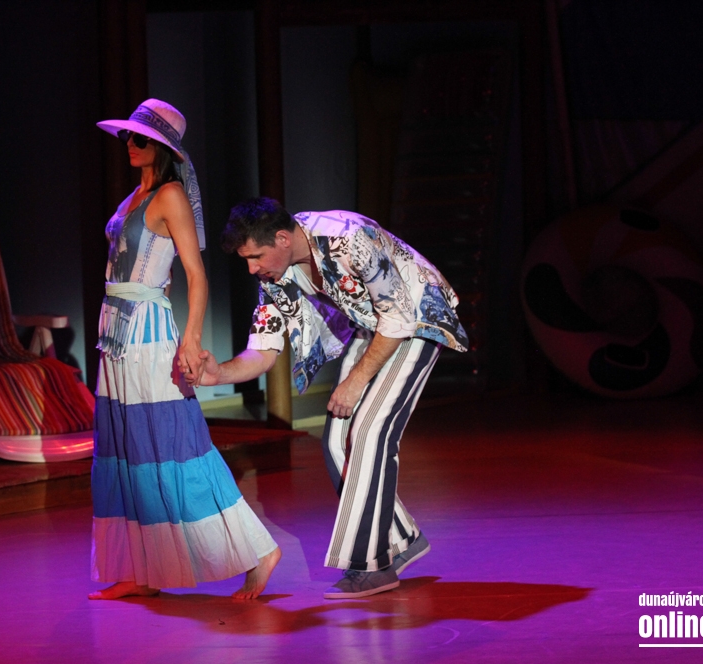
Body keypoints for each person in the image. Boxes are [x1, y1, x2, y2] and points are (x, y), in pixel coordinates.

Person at [190, 198, 468, 599]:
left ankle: (373, 566)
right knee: (338, 443)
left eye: (255, 257)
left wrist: (355, 381)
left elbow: (399, 316)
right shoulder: (275, 274)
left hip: (416, 317)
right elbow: (264, 349)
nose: (251, 268)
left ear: (282, 239)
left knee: (370, 433)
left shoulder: (350, 238)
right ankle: (401, 540)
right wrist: (219, 374)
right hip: (374, 325)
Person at [88, 100, 281, 601]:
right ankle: (141, 568)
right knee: (128, 448)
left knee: (174, 444)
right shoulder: (135, 196)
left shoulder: (169, 195)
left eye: (141, 139)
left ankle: (258, 551)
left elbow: (196, 275)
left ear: (163, 148)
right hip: (116, 331)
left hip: (147, 331)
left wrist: (191, 338)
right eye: (128, 137)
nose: (130, 145)